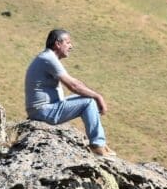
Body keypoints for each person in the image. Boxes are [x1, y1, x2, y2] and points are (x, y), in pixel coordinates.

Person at [25, 28, 114, 156]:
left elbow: (75, 82)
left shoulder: (47, 57)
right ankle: (98, 145)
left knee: (85, 99)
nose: (71, 46)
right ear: (57, 43)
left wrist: (91, 94)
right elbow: (73, 86)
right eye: (68, 42)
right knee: (88, 102)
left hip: (44, 108)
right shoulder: (49, 59)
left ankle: (101, 143)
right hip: (43, 111)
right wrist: (98, 96)